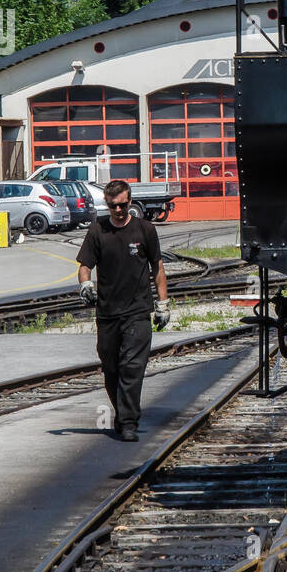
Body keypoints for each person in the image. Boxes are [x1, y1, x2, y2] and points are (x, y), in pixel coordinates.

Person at [77, 180, 171, 441]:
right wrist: (85, 283)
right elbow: (85, 265)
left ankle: (128, 422)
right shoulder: (98, 231)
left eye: (123, 205)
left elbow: (158, 268)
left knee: (131, 366)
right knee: (111, 367)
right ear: (107, 205)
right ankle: (123, 414)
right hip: (107, 312)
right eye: (113, 206)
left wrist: (162, 304)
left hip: (138, 311)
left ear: (130, 202)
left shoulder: (145, 230)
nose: (118, 210)